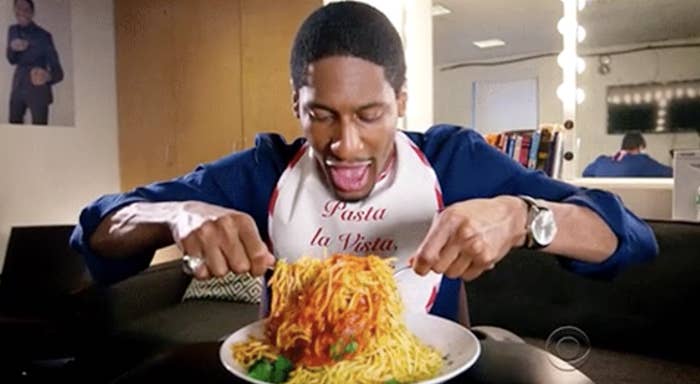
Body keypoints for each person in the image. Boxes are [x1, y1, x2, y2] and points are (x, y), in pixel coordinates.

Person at [70, 1, 657, 324]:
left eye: (370, 114)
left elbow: (628, 236)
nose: (345, 145)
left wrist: (524, 217)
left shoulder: (452, 161)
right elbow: (93, 229)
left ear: (400, 103)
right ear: (294, 105)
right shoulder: (264, 170)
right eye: (320, 114)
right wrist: (178, 214)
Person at [5, 0, 64, 125]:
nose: (21, 12)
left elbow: (58, 72)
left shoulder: (44, 36)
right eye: (17, 9)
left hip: (38, 91)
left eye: (25, 9)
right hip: (18, 89)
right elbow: (11, 60)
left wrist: (47, 76)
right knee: (14, 132)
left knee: (41, 135)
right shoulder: (13, 30)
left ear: (32, 12)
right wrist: (12, 49)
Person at [583, 131, 673, 177]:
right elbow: (670, 173)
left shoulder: (601, 160)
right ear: (641, 147)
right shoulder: (642, 161)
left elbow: (586, 173)